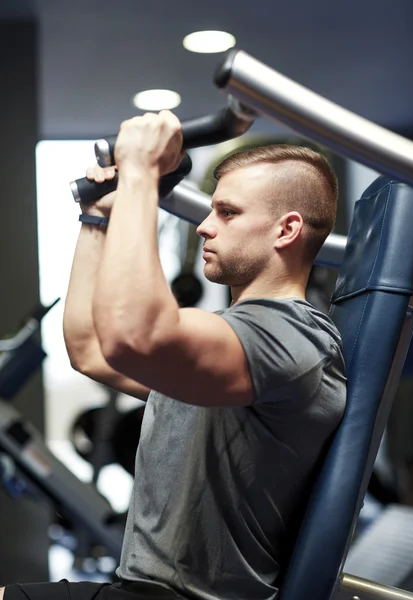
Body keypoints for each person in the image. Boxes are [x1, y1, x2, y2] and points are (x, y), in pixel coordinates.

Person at [1, 111, 346, 600]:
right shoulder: (230, 344)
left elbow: (134, 336)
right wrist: (98, 218)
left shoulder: (292, 338)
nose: (205, 226)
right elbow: (92, 350)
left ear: (286, 230)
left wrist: (141, 171)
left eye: (227, 212)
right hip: (139, 590)